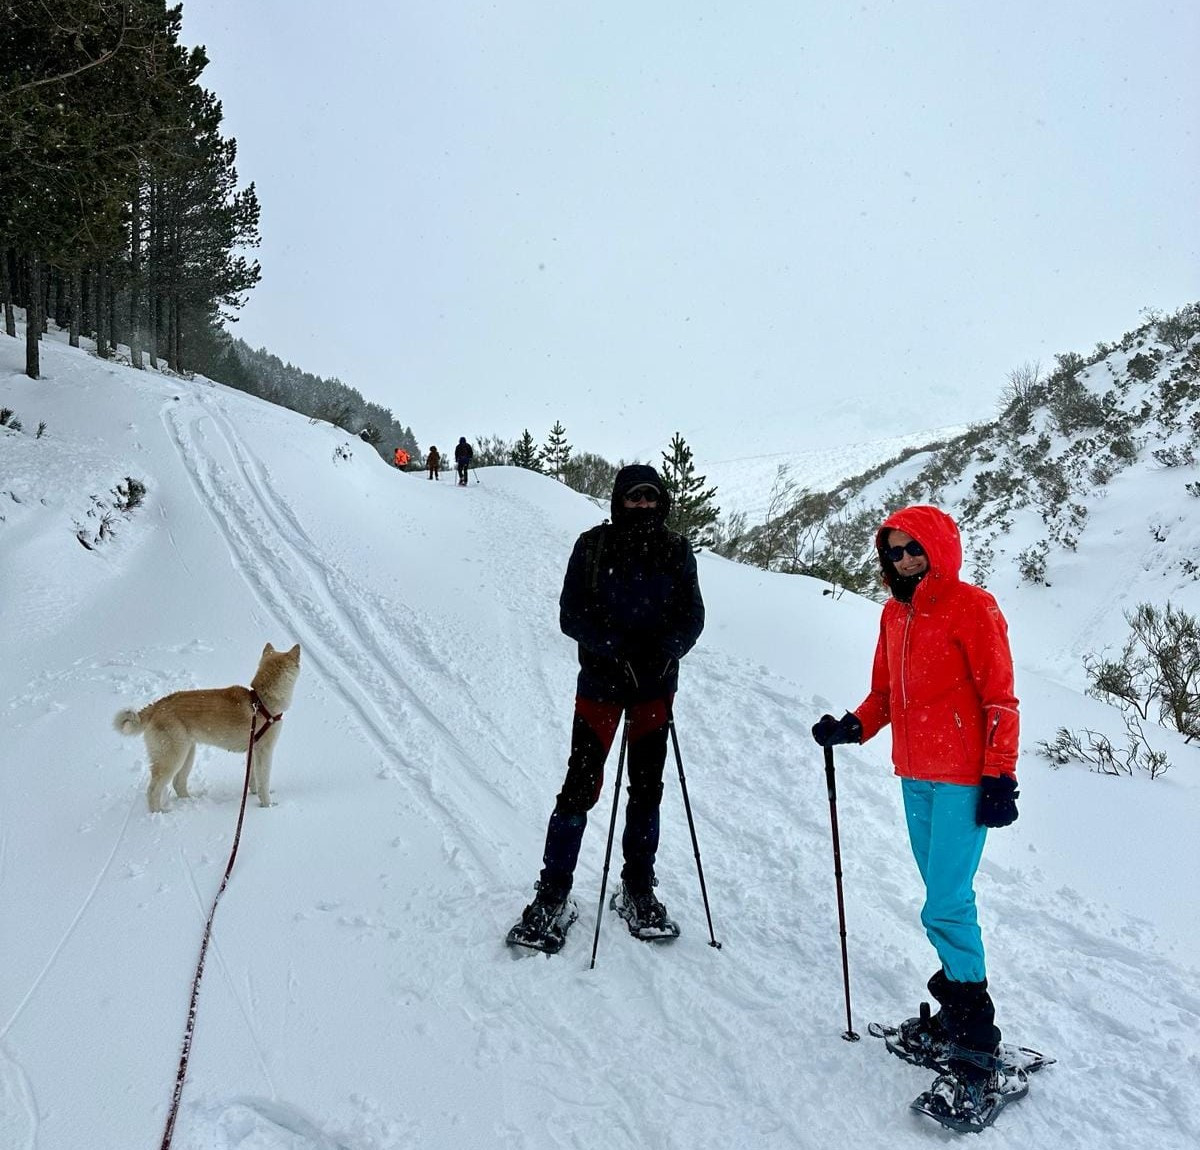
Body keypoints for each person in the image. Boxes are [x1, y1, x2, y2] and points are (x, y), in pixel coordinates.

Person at [811, 504, 1022, 1124]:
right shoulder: (892, 613)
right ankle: (957, 1014)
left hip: (963, 781)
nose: (903, 561)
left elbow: (999, 698)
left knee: (947, 903)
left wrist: (1000, 775)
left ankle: (977, 1043)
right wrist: (854, 726)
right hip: (915, 776)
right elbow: (885, 694)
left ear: (937, 548)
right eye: (894, 552)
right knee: (941, 894)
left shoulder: (972, 607)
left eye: (913, 549)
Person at [507, 465, 706, 953]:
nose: (643, 505)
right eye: (634, 498)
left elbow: (692, 616)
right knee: (579, 786)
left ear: (662, 502)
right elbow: (571, 614)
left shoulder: (678, 551)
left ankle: (637, 888)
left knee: (647, 788)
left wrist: (664, 651)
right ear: (619, 501)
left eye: (650, 498)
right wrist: (618, 651)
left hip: (655, 688)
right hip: (601, 684)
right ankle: (553, 893)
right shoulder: (592, 546)